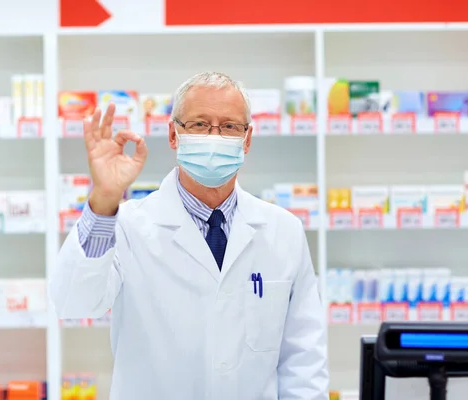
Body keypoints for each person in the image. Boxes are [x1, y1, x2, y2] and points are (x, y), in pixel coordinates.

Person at [50, 72, 329, 399]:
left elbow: (304, 359)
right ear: (173, 135)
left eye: (228, 127)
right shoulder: (128, 225)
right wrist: (104, 200)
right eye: (198, 125)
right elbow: (74, 303)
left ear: (247, 139)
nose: (214, 137)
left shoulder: (284, 231)